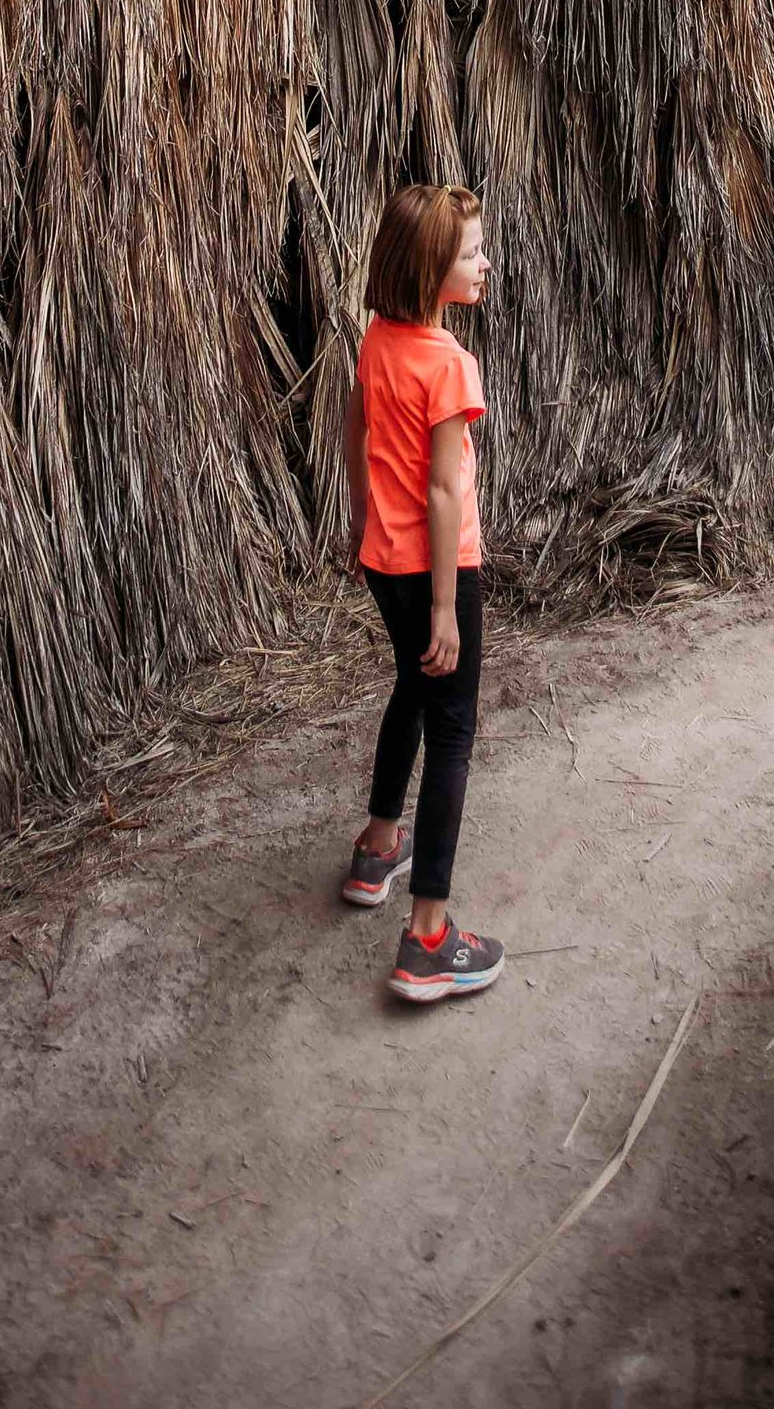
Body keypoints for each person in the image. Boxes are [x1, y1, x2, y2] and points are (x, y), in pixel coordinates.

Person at [339, 181, 504, 1002]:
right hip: (435, 571)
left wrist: (360, 509)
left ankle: (377, 848)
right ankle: (429, 938)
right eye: (472, 253)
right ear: (433, 266)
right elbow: (445, 494)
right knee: (452, 730)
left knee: (410, 685)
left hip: (382, 559)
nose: (485, 264)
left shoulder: (379, 339)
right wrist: (447, 604)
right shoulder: (449, 364)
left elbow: (355, 420)